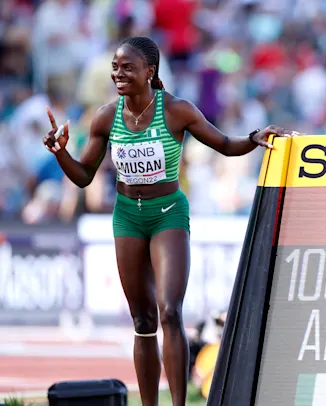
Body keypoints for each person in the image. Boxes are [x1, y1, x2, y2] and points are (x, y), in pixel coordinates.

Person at [41, 36, 296, 406]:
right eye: (115, 66)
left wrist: (255, 137)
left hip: (168, 215)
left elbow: (224, 144)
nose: (118, 73)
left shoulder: (177, 110)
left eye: (128, 67)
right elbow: (83, 176)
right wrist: (60, 151)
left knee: (170, 312)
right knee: (143, 322)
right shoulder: (106, 116)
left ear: (150, 71)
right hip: (128, 217)